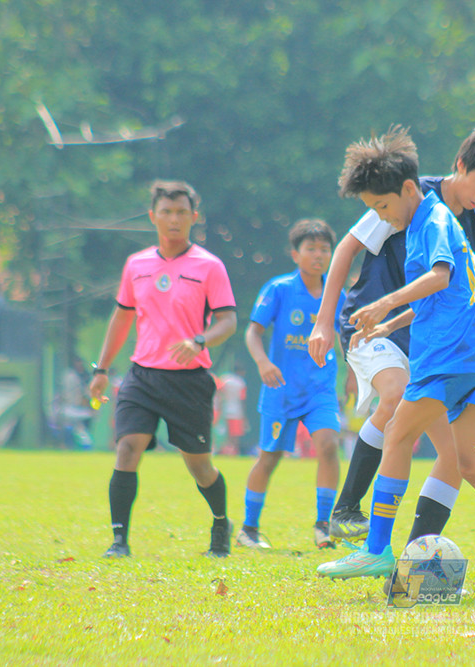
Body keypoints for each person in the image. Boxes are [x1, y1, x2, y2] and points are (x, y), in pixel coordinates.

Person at [315, 127, 475, 600]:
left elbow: (439, 276)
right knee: (471, 462)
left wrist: (384, 305)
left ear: (407, 191)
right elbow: (455, 291)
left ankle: (375, 548)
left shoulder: (429, 219)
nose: (381, 216)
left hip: (449, 354)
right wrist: (394, 325)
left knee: (399, 432)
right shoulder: (438, 217)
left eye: (383, 207)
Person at [88, 180, 237, 559]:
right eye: (166, 212)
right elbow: (122, 318)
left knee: (200, 467)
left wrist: (199, 340)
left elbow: (228, 322)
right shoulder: (136, 265)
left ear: (194, 217)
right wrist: (102, 368)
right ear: (153, 216)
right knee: (127, 449)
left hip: (189, 380)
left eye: (181, 212)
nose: (174, 219)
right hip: (142, 376)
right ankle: (119, 541)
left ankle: (221, 523)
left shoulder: (209, 266)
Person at [239, 219, 345, 551]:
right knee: (269, 458)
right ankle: (248, 529)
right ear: (295, 254)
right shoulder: (279, 288)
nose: (319, 255)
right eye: (311, 249)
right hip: (281, 389)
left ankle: (323, 526)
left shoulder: (335, 293)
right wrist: (263, 363)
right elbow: (253, 332)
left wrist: (354, 371)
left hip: (320, 388)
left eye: (325, 249)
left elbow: (344, 335)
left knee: (328, 444)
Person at [217, 364, 249, 455]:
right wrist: (244, 415)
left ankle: (225, 451)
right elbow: (242, 399)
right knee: (235, 435)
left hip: (225, 409)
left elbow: (219, 394)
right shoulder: (241, 382)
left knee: (226, 433)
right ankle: (234, 451)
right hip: (237, 411)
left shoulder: (225, 379)